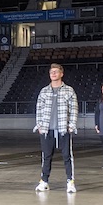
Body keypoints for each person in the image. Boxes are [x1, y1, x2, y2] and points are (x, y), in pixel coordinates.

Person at [33, 64, 79, 193]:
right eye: (51, 72)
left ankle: (70, 181)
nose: (53, 74)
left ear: (61, 74)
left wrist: (71, 126)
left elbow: (74, 109)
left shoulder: (69, 90)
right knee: (46, 156)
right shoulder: (44, 91)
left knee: (67, 156)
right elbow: (39, 109)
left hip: (63, 128)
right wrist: (39, 126)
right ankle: (44, 181)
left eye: (56, 72)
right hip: (47, 129)